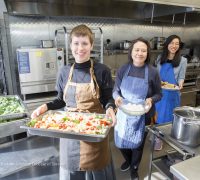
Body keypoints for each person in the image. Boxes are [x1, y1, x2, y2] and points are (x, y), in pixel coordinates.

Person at [31, 24, 116, 180]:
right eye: (76, 43)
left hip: (94, 131)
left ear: (91, 45)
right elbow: (60, 100)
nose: (80, 48)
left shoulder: (101, 70)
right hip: (69, 130)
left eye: (84, 43)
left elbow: (107, 98)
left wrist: (110, 108)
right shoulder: (64, 71)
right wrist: (45, 107)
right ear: (70, 46)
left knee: (96, 171)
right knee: (72, 172)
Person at [113, 37, 162, 180]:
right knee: (120, 142)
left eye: (143, 50)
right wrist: (117, 97)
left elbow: (159, 94)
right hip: (124, 112)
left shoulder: (153, 72)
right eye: (137, 50)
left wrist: (151, 99)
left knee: (138, 145)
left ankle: (134, 168)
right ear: (131, 52)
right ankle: (128, 160)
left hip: (144, 114)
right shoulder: (123, 69)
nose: (140, 53)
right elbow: (116, 90)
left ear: (147, 53)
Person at [154, 35, 187, 150]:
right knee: (158, 116)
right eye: (172, 43)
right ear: (167, 44)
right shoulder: (159, 58)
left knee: (169, 117)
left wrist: (181, 84)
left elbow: (181, 77)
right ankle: (158, 137)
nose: (174, 46)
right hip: (160, 93)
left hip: (173, 94)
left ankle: (166, 137)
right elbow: (157, 76)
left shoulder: (183, 60)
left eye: (177, 44)